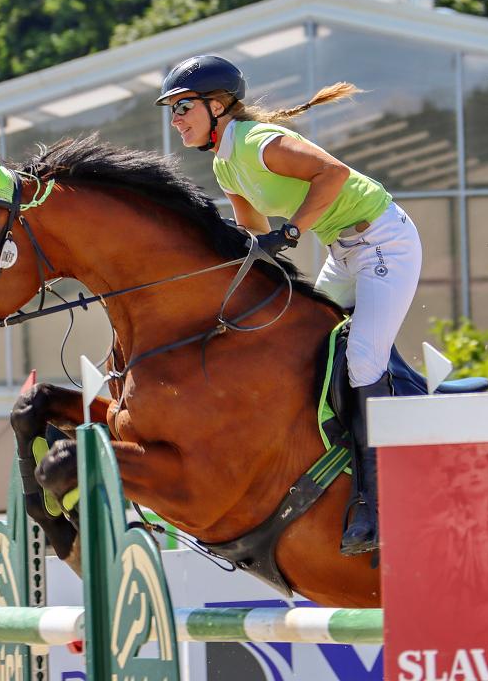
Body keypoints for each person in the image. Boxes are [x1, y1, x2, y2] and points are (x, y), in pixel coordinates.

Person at [156, 55, 423, 555]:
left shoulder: (258, 143)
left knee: (362, 360)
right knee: (307, 342)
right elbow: (253, 233)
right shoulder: (225, 164)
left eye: (183, 107)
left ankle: (378, 503)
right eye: (172, 110)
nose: (176, 119)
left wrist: (295, 230)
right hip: (345, 252)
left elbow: (333, 174)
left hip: (385, 243)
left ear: (218, 106)